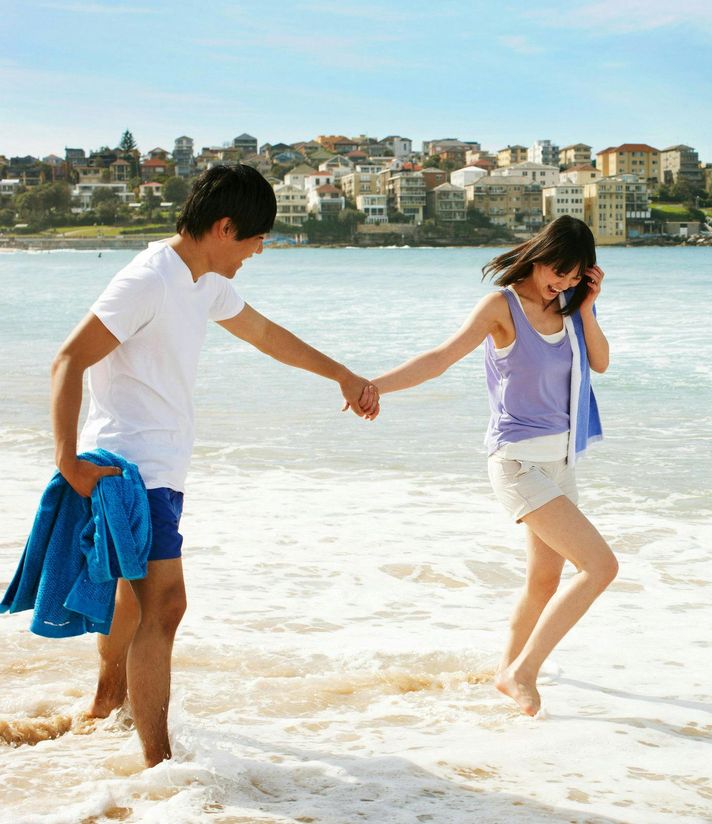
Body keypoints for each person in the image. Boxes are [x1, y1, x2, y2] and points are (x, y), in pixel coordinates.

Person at [51, 164, 379, 767]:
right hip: (130, 467)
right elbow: (69, 359)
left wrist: (343, 374)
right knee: (167, 605)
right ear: (225, 227)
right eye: (256, 240)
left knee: (133, 598)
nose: (259, 251)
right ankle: (159, 765)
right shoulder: (149, 278)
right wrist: (67, 461)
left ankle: (105, 707)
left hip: (160, 468)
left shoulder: (202, 280)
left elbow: (265, 335)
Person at [362, 215, 617, 717]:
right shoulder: (501, 307)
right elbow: (440, 357)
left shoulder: (568, 309)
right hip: (518, 462)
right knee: (601, 567)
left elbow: (601, 362)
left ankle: (505, 672)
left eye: (573, 277)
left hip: (561, 462)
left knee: (544, 580)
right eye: (557, 273)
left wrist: (587, 307)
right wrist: (374, 386)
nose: (561, 283)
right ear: (539, 255)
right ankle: (524, 672)